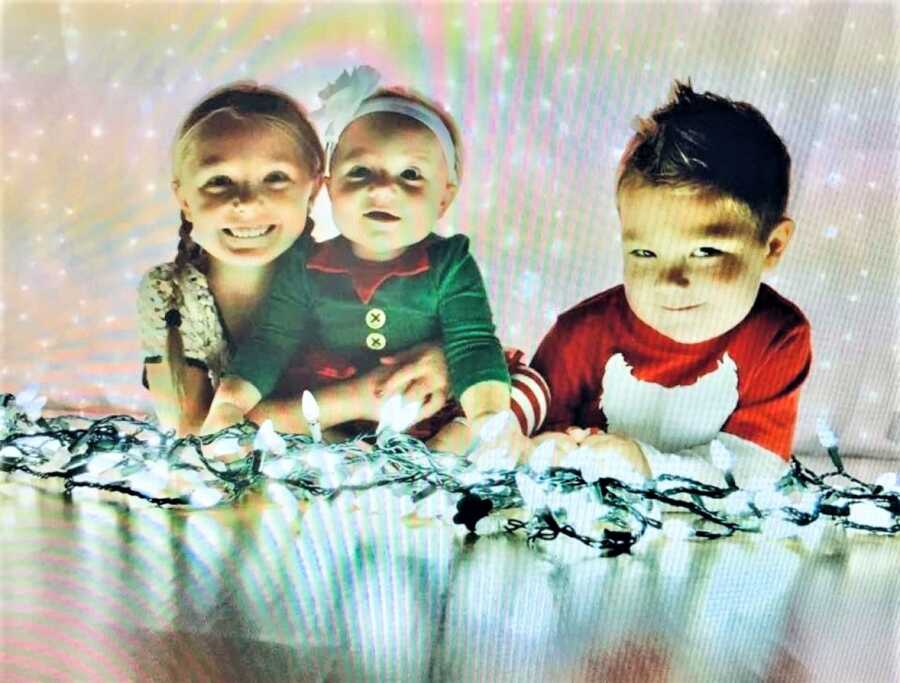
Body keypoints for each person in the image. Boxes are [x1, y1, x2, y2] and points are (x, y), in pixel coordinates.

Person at [200, 75, 543, 454]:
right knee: (266, 419)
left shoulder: (449, 264)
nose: (382, 189)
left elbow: (472, 341)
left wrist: (488, 417)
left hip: (434, 404)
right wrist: (229, 402)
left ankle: (453, 445)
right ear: (330, 188)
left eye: (410, 175)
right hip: (343, 408)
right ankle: (357, 454)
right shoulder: (307, 268)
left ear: (444, 198)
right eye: (360, 171)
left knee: (526, 385)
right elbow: (271, 341)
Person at [531, 81, 811, 485]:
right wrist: (553, 448)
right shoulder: (581, 333)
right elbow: (529, 434)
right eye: (644, 253)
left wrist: (647, 464)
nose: (670, 283)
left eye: (705, 252)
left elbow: (754, 467)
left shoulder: (778, 336)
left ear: (772, 246)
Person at [137, 82, 453, 437]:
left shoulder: (344, 275)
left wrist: (442, 358)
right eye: (219, 180)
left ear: (314, 187)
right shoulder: (171, 294)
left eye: (275, 178)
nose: (247, 203)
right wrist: (355, 399)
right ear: (183, 197)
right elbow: (193, 432)